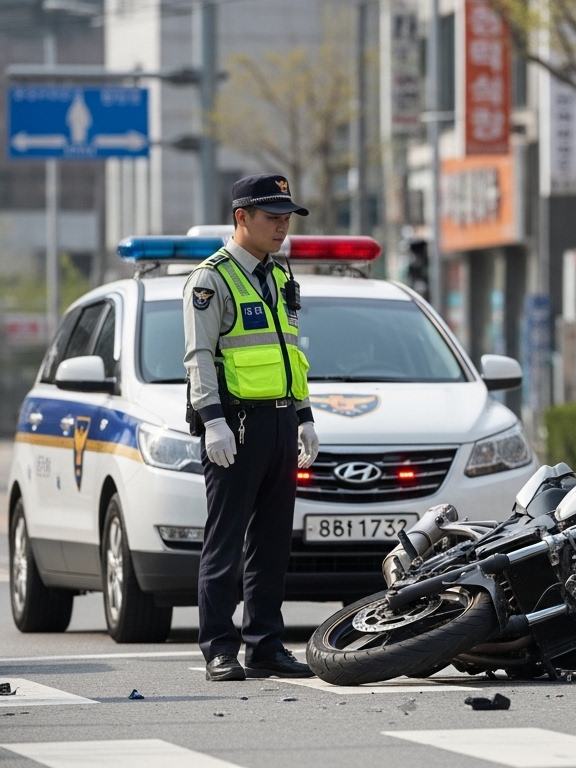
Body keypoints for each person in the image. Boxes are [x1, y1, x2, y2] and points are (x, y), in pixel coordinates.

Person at [184, 174, 319, 682]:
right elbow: (198, 356)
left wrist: (303, 416)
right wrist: (212, 420)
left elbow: (291, 353)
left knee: (271, 542)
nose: (282, 225)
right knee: (225, 542)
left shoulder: (279, 276)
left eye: (287, 216)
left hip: (282, 421)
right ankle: (219, 647)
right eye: (272, 216)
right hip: (235, 427)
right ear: (242, 217)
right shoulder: (211, 279)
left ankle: (265, 644)